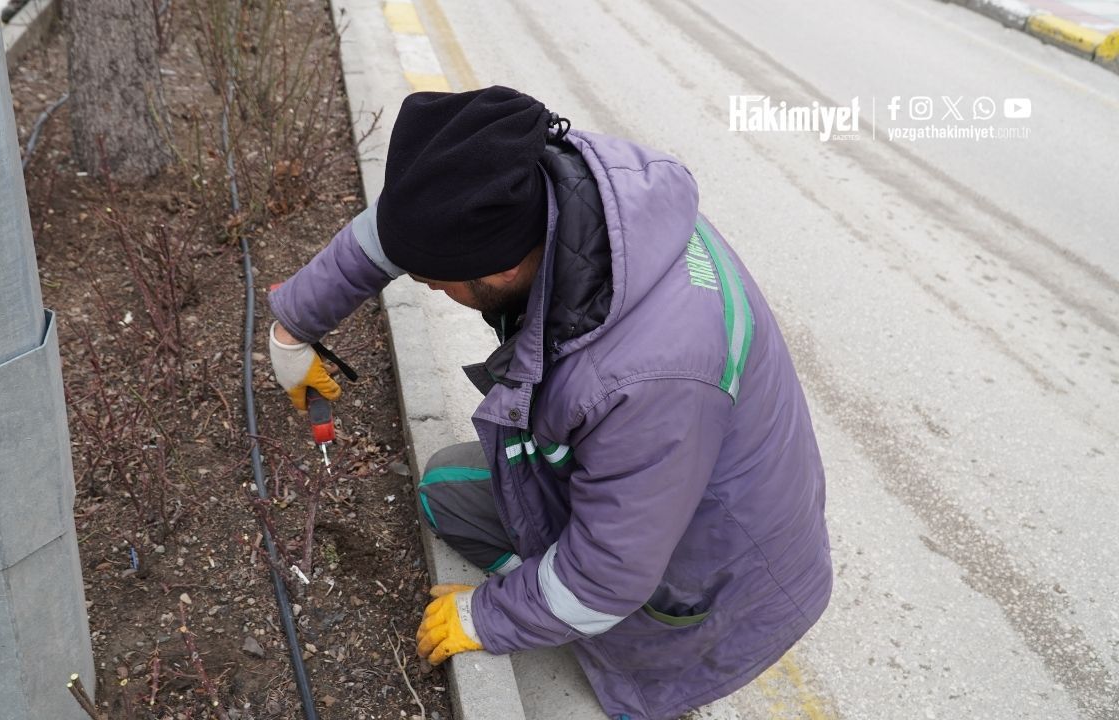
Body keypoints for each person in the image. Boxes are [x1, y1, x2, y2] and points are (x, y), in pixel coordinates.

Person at [268, 86, 832, 720]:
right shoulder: (544, 186)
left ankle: (634, 665)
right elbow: (400, 231)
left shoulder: (645, 377)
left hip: (712, 577)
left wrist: (488, 615)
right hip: (667, 488)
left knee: (610, 624)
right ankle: (560, 587)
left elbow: (610, 577)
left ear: (500, 272)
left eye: (435, 282)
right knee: (445, 491)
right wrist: (293, 328)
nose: (426, 286)